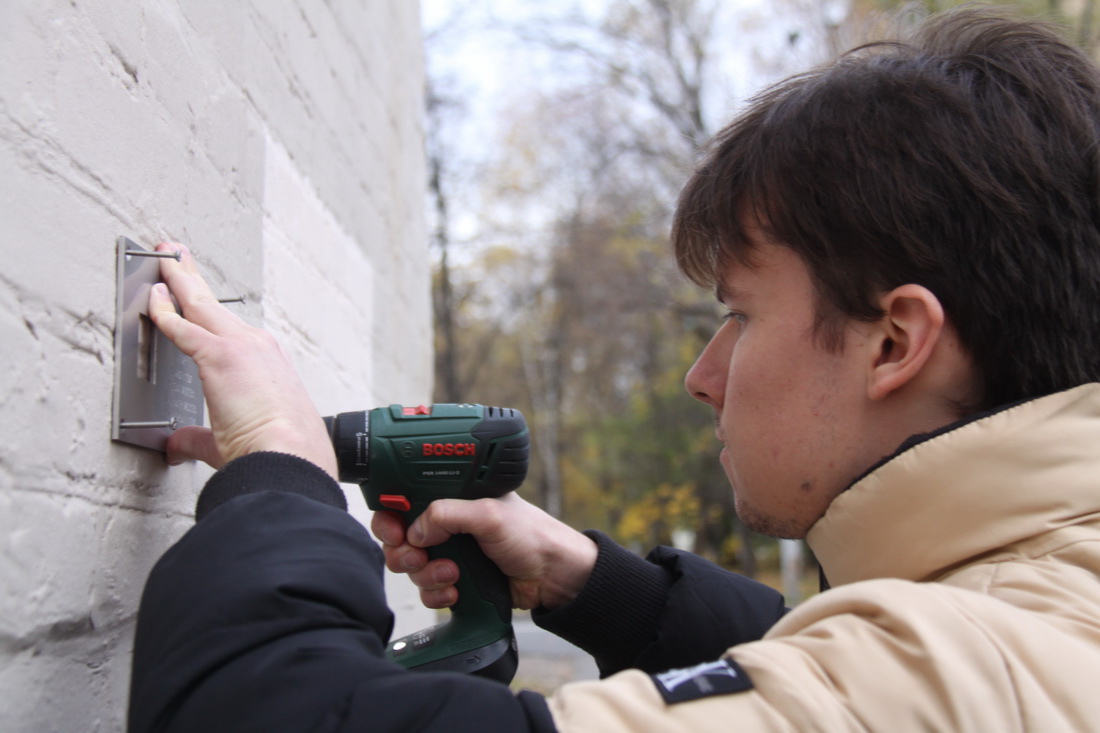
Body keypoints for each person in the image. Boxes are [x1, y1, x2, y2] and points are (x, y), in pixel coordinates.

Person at [129, 6, 1100, 731]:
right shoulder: (1042, 612)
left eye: (739, 314)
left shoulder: (942, 677)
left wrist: (279, 470)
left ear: (892, 341)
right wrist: (597, 584)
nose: (702, 376)